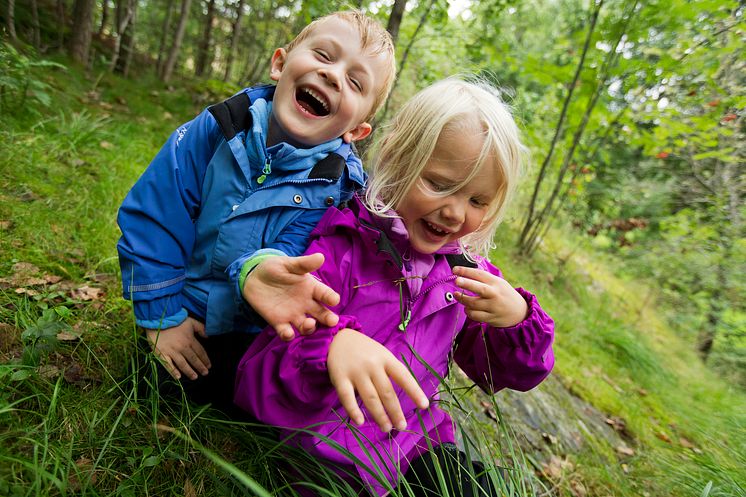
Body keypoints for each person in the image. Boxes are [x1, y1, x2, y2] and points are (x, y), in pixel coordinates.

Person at [233, 78, 556, 496]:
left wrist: (517, 320)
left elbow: (507, 372)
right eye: (440, 185)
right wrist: (332, 344)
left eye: (477, 201)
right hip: (317, 445)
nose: (455, 213)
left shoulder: (467, 275)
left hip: (409, 447)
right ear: (400, 159)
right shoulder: (343, 244)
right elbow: (265, 369)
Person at [116, 10, 396, 410]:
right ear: (280, 63)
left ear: (357, 131)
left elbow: (300, 263)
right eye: (323, 55)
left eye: (355, 82)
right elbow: (156, 216)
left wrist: (262, 271)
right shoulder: (215, 130)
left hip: (256, 331)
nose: (333, 75)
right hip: (179, 305)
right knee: (155, 387)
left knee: (246, 407)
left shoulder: (339, 191)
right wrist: (163, 317)